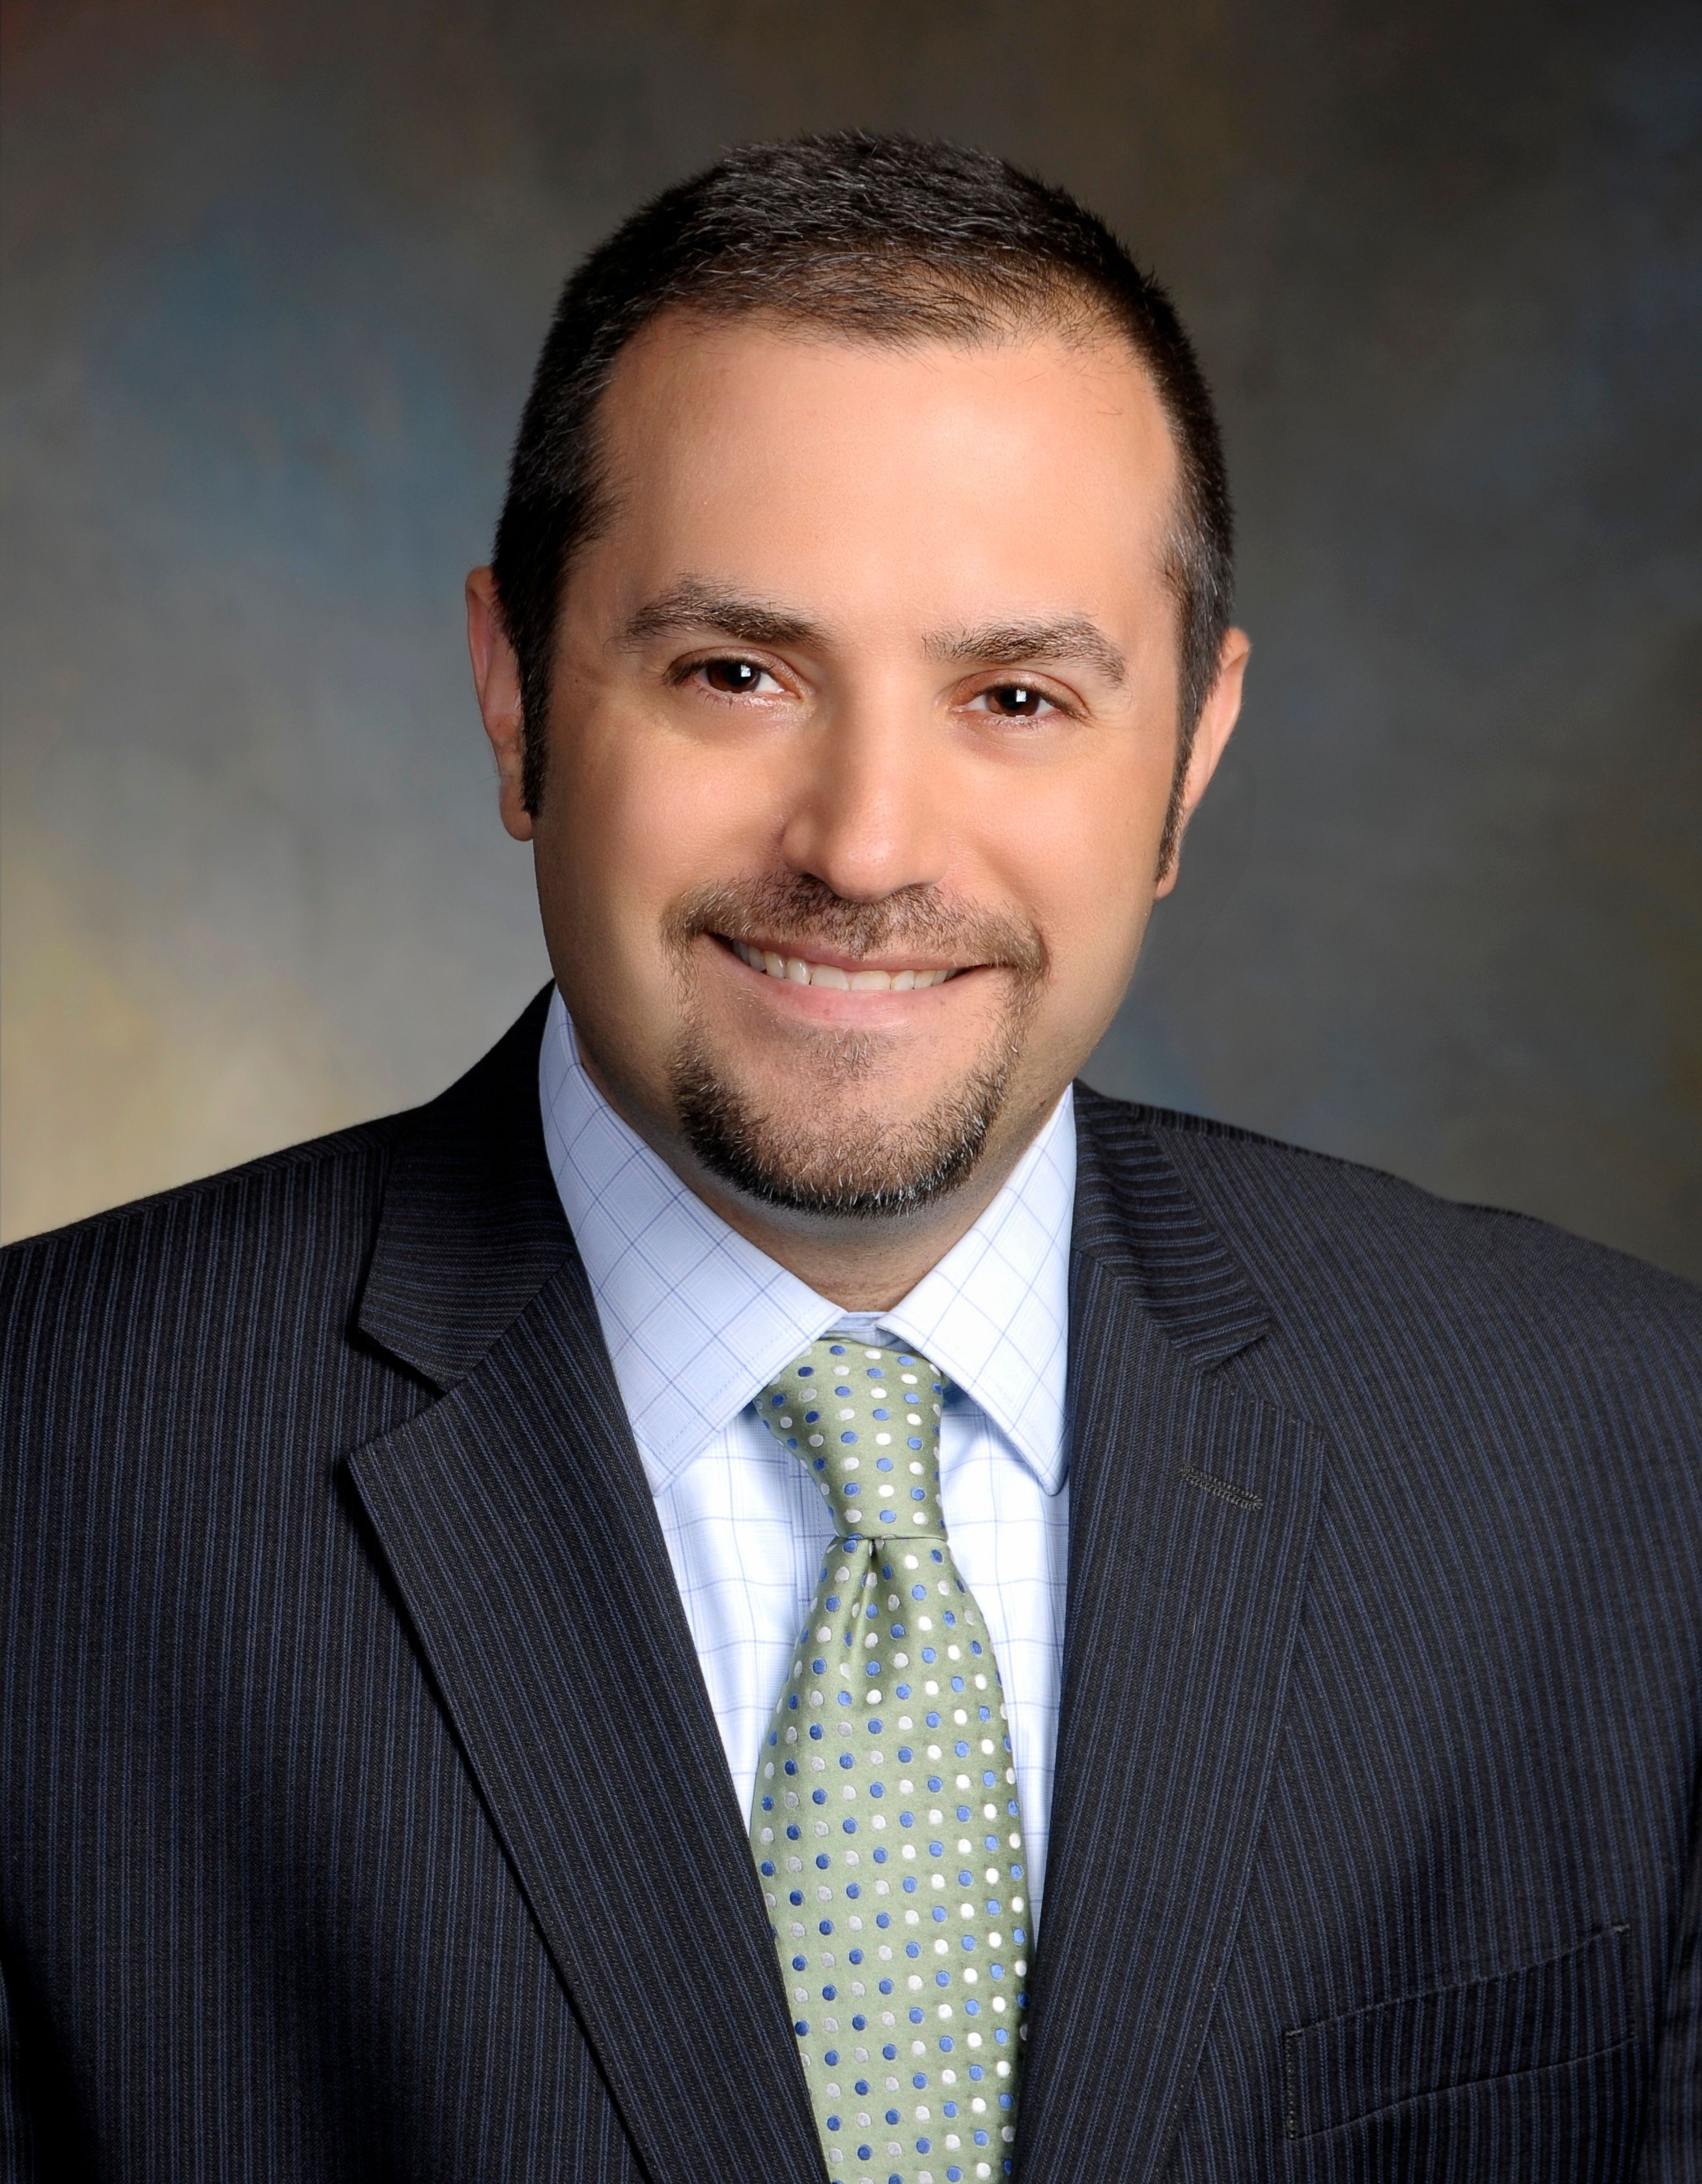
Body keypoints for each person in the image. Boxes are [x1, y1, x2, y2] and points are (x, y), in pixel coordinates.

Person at [1, 132, 1696, 2184]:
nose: (868, 844)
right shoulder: (45, 1474)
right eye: (737, 673)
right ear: (518, 697)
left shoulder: (1626, 1464)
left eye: (1016, 694)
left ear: (1191, 752)